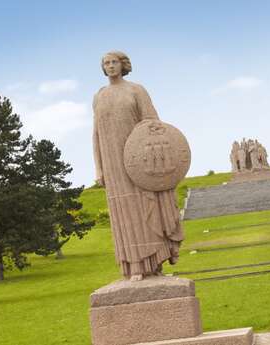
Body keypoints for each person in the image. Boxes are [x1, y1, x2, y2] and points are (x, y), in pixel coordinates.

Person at [92, 51, 184, 282]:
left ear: (123, 66)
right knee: (125, 214)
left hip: (138, 160)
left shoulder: (136, 90)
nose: (110, 66)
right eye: (106, 63)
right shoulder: (99, 96)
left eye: (114, 62)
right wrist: (99, 167)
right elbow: (95, 134)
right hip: (113, 163)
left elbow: (153, 123)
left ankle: (154, 263)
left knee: (144, 209)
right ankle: (134, 265)